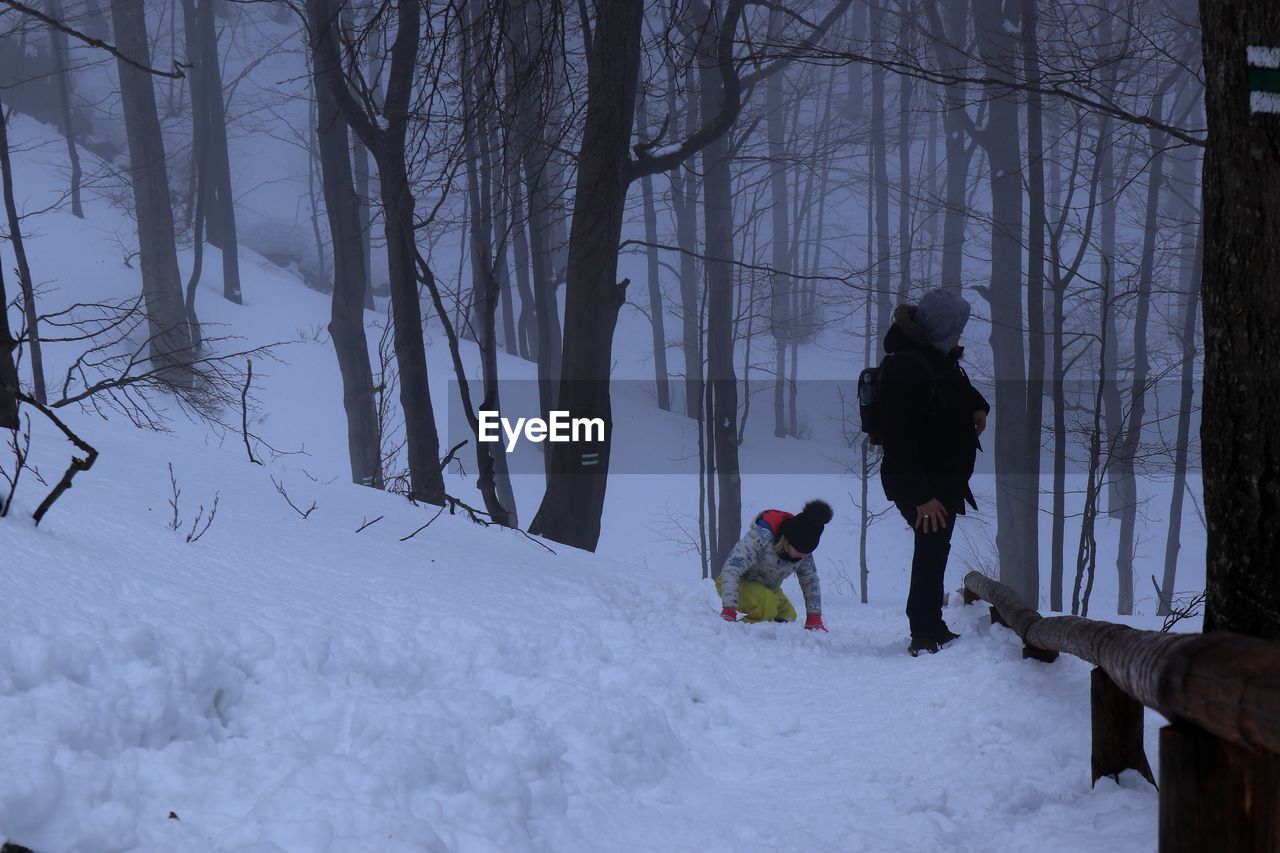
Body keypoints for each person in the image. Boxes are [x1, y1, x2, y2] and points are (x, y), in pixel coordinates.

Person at [877, 288, 989, 656]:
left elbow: (957, 389)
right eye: (957, 327)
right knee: (931, 548)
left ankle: (928, 626)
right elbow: (899, 440)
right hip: (919, 481)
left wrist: (978, 408)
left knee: (934, 548)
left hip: (939, 477)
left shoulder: (935, 359)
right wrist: (922, 497)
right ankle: (925, 632)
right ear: (942, 327)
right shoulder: (906, 368)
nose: (960, 335)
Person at [716, 500, 831, 631]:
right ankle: (735, 630)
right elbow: (732, 568)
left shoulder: (803, 554)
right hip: (736, 582)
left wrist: (814, 616)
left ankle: (767, 625)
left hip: (767, 588)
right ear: (788, 540)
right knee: (768, 605)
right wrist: (729, 609)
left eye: (806, 553)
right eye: (799, 551)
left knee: (788, 615)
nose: (802, 556)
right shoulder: (760, 539)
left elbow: (810, 581)